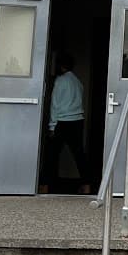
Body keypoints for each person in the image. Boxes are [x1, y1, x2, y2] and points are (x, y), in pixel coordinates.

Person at [43, 53, 90, 193]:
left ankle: (45, 186)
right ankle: (86, 185)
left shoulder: (60, 81)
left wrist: (52, 125)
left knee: (51, 155)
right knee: (79, 154)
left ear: (60, 66)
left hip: (63, 122)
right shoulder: (77, 81)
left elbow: (55, 104)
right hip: (77, 121)